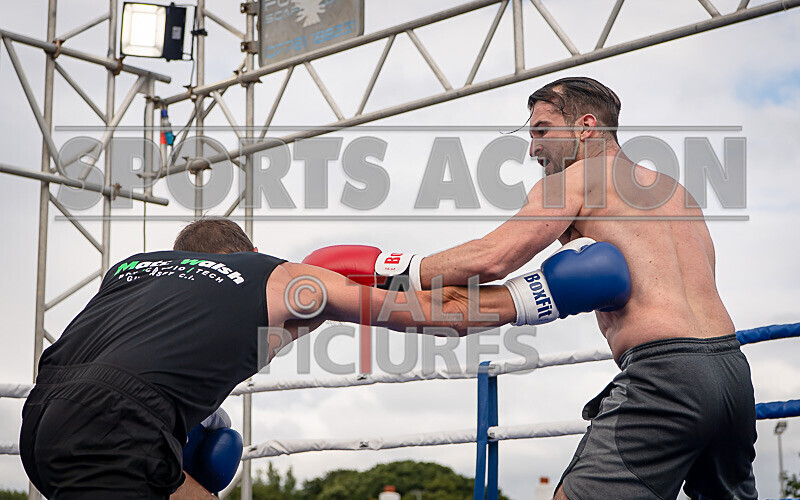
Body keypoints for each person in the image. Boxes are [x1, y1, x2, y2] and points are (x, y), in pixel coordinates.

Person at [306, 77, 757, 500]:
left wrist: (396, 268)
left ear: (585, 127)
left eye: (542, 131)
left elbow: (492, 258)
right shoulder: (675, 192)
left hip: (665, 374)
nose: (532, 150)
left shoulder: (572, 182)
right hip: (732, 373)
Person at [19, 217, 629, 499]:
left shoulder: (131, 272)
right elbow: (429, 314)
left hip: (43, 420)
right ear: (249, 252)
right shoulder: (272, 276)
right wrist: (537, 297)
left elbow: (132, 361)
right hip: (118, 425)